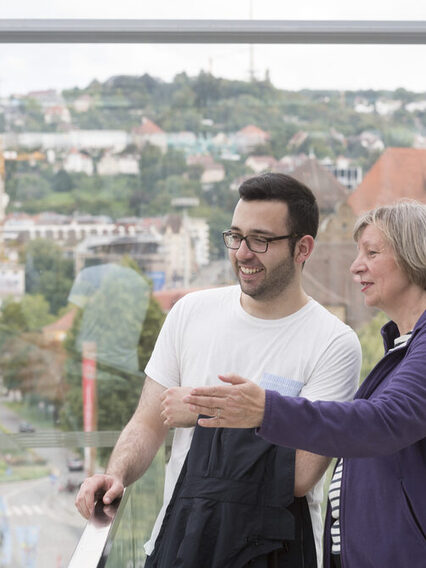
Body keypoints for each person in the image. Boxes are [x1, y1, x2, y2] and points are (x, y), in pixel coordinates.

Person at [75, 173, 362, 567]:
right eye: (235, 236)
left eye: (261, 240)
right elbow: (148, 423)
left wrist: (202, 412)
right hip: (180, 543)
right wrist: (117, 475)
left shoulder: (333, 343)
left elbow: (300, 473)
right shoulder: (190, 313)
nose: (243, 253)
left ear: (303, 248)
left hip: (275, 552)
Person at [184, 200, 426, 568]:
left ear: (415, 256)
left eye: (372, 252)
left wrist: (266, 409)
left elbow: (383, 422)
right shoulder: (402, 347)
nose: (355, 265)